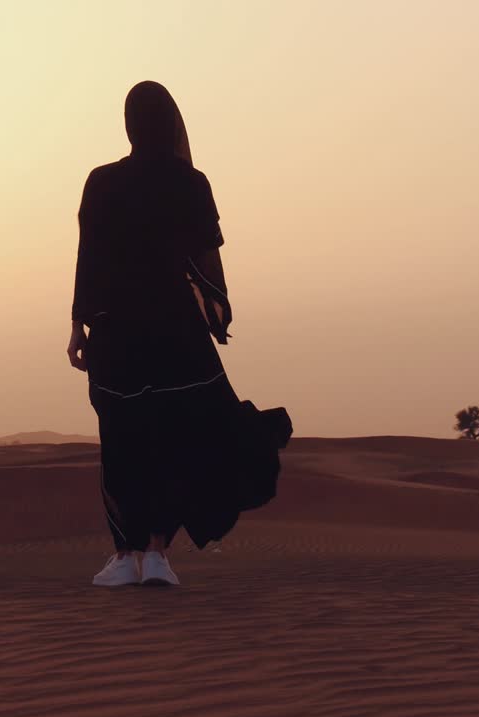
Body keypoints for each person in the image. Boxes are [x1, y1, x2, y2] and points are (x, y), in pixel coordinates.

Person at [67, 80, 292, 587]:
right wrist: (216, 312)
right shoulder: (192, 183)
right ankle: (156, 554)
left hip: (117, 334)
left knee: (122, 439)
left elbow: (89, 259)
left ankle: (125, 555)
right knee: (173, 439)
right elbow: (205, 257)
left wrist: (78, 325)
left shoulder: (101, 182)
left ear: (129, 124)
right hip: (176, 334)